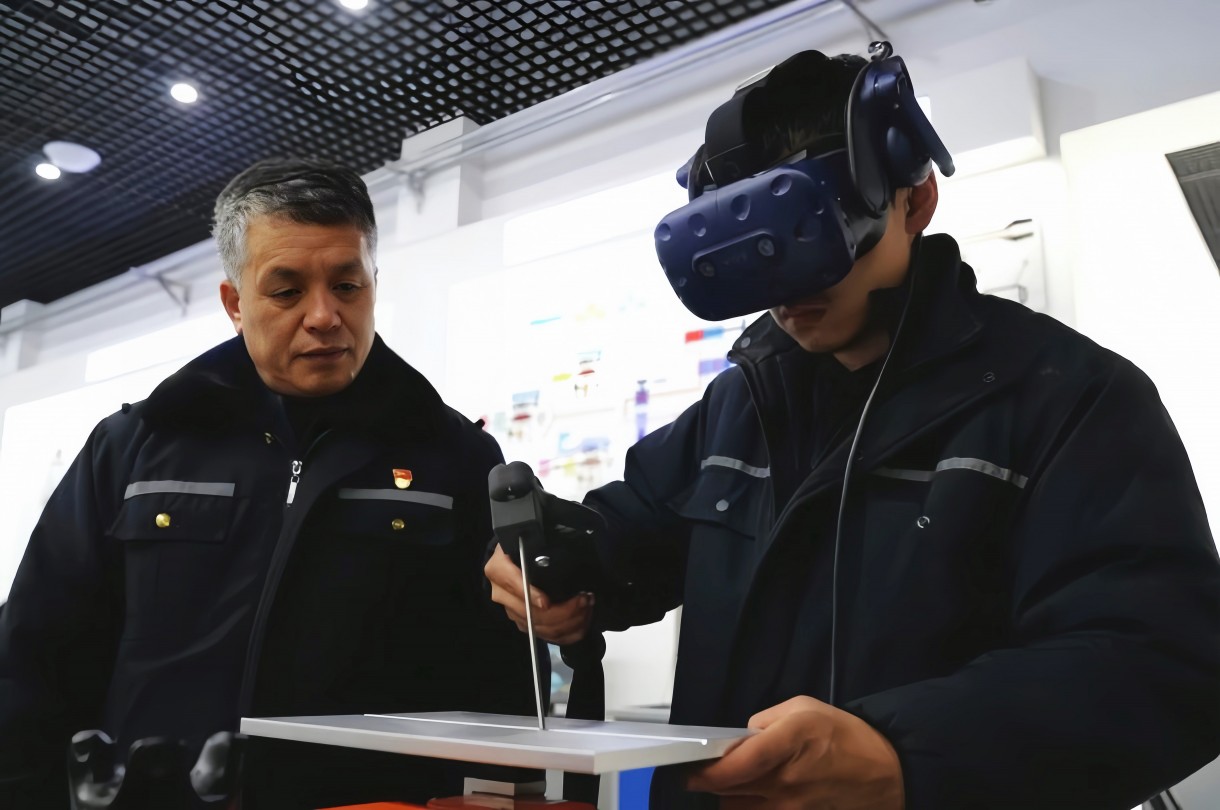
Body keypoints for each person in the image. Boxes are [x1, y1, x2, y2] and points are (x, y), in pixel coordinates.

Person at [486, 47, 1220, 809]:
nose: (786, 291)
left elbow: (1161, 664)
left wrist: (905, 754)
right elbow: (628, 536)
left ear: (914, 202)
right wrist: (556, 566)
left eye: (813, 240)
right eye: (758, 257)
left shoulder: (1067, 398)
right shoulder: (740, 404)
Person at [0, 158, 539, 808]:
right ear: (235, 303)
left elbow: (500, 681)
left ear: (374, 282)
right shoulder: (134, 448)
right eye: (286, 292)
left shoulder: (455, 457)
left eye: (347, 285)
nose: (324, 315)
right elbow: (32, 657)